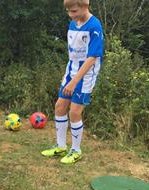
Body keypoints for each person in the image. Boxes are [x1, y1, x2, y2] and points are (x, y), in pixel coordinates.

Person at [41, 0, 103, 164]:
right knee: (60, 107)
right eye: (68, 11)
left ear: (85, 5)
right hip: (71, 71)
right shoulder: (73, 23)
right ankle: (61, 146)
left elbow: (92, 58)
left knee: (74, 112)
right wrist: (69, 77)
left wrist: (75, 81)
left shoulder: (94, 26)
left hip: (86, 75)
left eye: (74, 11)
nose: (71, 15)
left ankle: (76, 150)